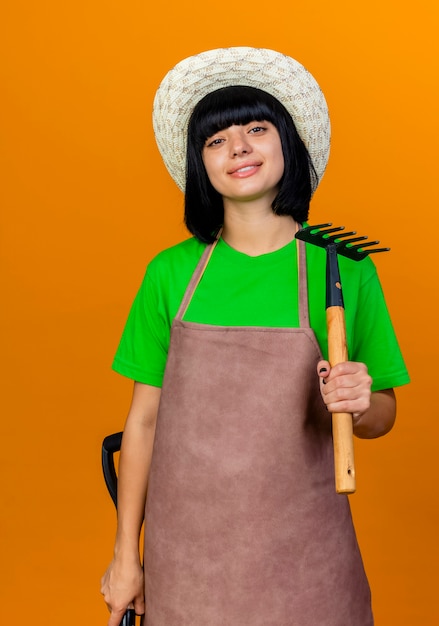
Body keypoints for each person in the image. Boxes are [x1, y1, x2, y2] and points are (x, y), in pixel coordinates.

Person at [101, 47, 409, 626]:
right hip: (187, 561)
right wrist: (126, 557)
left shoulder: (343, 270)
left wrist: (360, 402)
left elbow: (382, 416)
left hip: (307, 559)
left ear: (287, 145)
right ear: (201, 165)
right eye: (216, 140)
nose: (238, 147)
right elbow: (143, 422)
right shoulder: (170, 273)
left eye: (256, 129)